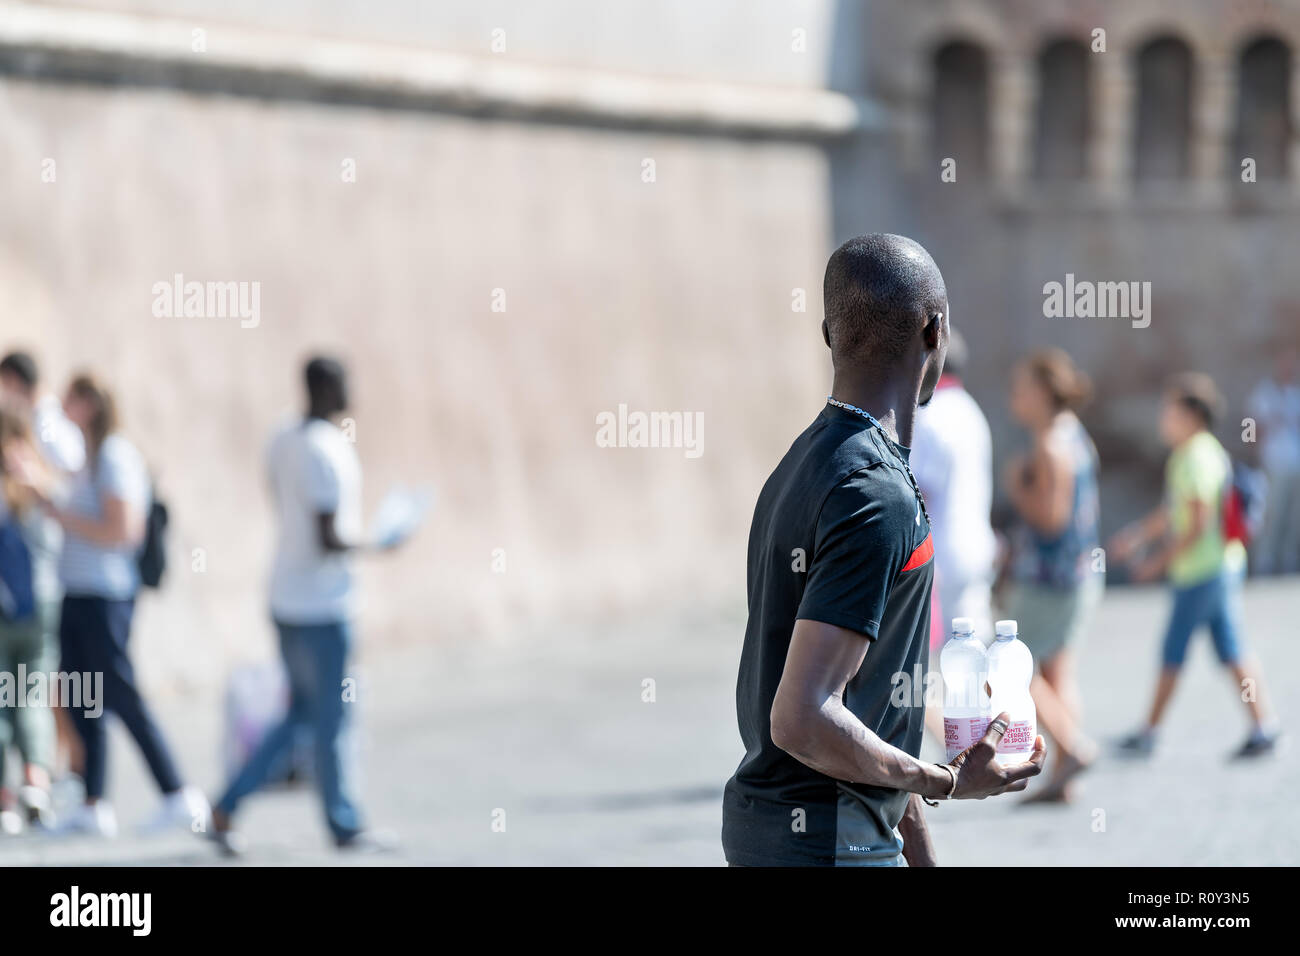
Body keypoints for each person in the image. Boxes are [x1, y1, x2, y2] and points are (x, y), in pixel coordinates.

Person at [720, 234, 1045, 868]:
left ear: (827, 335)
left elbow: (873, 705)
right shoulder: (876, 497)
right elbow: (804, 717)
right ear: (935, 331)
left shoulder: (805, 465)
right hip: (827, 844)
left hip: (800, 835)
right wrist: (946, 780)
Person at [209, 356, 399, 854]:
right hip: (321, 605)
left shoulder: (283, 438)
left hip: (287, 596)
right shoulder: (322, 450)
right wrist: (377, 542)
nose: (350, 392)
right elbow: (327, 536)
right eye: (343, 384)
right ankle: (343, 823)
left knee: (301, 715)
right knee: (331, 719)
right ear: (324, 388)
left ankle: (227, 804)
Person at [10, 373, 209, 836]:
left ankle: (178, 792)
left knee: (120, 693)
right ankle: (92, 801)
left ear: (91, 405)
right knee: (85, 697)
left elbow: (123, 531)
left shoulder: (117, 457)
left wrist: (59, 513)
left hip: (107, 594)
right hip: (77, 591)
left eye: (73, 398)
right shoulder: (87, 457)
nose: (63, 403)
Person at [1111, 373, 1281, 759]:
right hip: (1218, 566)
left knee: (1174, 651)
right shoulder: (1197, 452)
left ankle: (1149, 732)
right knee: (1232, 650)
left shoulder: (1195, 457)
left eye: (1169, 411)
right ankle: (1263, 726)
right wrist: (1136, 537)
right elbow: (1173, 512)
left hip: (1202, 572)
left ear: (1190, 415)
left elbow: (1199, 521)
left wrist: (1155, 563)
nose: (1162, 419)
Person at [1001, 349, 1102, 802]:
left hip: (1049, 578)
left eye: (1022, 389)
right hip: (1076, 575)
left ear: (1042, 392)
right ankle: (1065, 775)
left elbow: (1051, 518)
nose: (1014, 398)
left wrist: (1016, 487)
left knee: (1010, 672)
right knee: (1060, 673)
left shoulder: (1049, 443)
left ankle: (1074, 749)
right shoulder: (1072, 434)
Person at [0, 352, 86, 792]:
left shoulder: (50, 433)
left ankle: (19, 789)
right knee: (35, 694)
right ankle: (42, 777)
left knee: (10, 696)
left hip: (18, 600)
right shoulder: (41, 468)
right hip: (45, 595)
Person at [911, 327, 997, 643]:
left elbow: (918, 493)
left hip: (945, 560)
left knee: (958, 668)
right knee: (974, 660)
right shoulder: (969, 409)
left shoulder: (930, 414)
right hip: (976, 550)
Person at [0, 408, 62, 832]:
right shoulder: (38, 479)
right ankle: (35, 781)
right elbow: (55, 541)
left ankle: (5, 799)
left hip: (5, 608)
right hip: (41, 605)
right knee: (32, 695)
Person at [1245, 342, 1300, 575]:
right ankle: (1265, 563)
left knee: (1294, 516)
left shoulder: (1296, 394)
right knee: (1271, 514)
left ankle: (1289, 562)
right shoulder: (1264, 394)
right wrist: (1265, 429)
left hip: (1296, 463)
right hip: (1273, 463)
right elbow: (1247, 430)